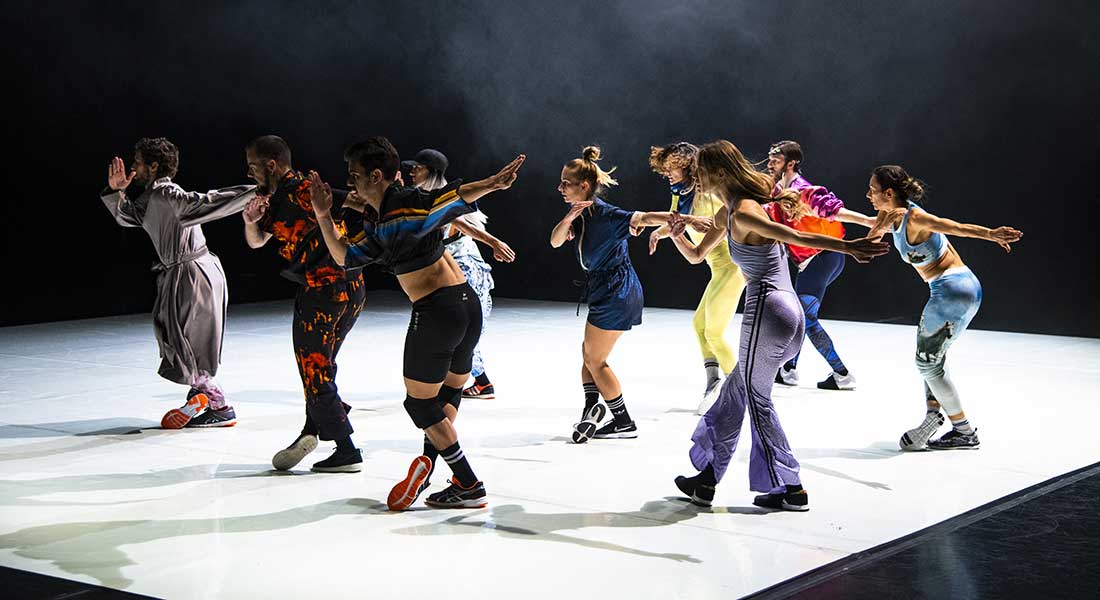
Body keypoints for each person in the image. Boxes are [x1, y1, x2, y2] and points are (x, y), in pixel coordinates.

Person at [670, 140, 888, 511]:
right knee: (735, 394)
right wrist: (675, 231)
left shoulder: (744, 214)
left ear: (719, 173)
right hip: (783, 313)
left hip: (768, 311)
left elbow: (799, 236)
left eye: (701, 170)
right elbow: (695, 255)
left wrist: (850, 247)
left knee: (756, 400)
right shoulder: (730, 211)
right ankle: (706, 481)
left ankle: (791, 487)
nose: (696, 177)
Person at [310, 136, 525, 510]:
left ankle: (469, 483)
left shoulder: (405, 203)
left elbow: (451, 199)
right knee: (445, 396)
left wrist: (492, 183)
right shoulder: (376, 222)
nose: (352, 182)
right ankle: (431, 464)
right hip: (466, 305)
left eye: (355, 175)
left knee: (419, 406)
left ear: (376, 176)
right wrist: (324, 214)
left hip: (438, 312)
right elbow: (346, 256)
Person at [550, 146, 708, 443]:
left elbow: (647, 217)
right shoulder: (581, 215)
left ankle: (623, 422)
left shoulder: (608, 216)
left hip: (617, 291)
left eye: (565, 183)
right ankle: (591, 409)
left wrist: (687, 221)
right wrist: (570, 217)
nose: (560, 188)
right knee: (588, 354)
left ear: (584, 186)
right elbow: (556, 240)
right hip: (604, 289)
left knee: (595, 360)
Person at [100, 137, 255, 429]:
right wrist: (116, 192)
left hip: (192, 273)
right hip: (184, 272)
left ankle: (218, 403)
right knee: (178, 336)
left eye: (138, 161)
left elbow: (207, 202)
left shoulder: (167, 193)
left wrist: (256, 192)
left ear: (154, 166)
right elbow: (128, 217)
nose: (133, 166)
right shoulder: (151, 196)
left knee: (186, 341)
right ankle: (203, 397)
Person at [864, 165, 1022, 450]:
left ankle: (964, 431)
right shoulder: (891, 215)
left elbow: (955, 227)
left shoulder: (917, 218)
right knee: (934, 360)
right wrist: (881, 218)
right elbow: (870, 241)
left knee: (927, 362)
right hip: (961, 289)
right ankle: (933, 417)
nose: (868, 195)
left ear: (889, 192)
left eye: (873, 191)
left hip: (951, 289)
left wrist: (991, 234)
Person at [241, 135, 367, 472]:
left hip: (326, 292)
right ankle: (312, 430)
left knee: (315, 370)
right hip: (349, 288)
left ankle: (346, 449)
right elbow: (256, 242)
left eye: (254, 167)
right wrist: (249, 222)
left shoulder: (301, 190)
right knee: (321, 366)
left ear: (272, 164)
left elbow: (352, 202)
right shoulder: (276, 198)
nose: (250, 173)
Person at [402, 149, 516, 402]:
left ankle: (481, 383)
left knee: (460, 334)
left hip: (465, 273)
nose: (412, 171)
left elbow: (462, 222)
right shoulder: (429, 198)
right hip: (464, 271)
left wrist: (494, 242)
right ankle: (469, 381)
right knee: (461, 334)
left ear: (430, 172)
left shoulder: (440, 199)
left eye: (417, 167)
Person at [765, 141, 877, 390]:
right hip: (814, 261)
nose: (770, 161)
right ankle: (789, 369)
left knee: (805, 319)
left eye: (776, 157)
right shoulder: (776, 191)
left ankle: (842, 374)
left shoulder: (801, 190)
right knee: (800, 317)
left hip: (823, 257)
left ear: (791, 163)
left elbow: (831, 210)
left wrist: (868, 221)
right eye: (770, 156)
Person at [648, 142, 745, 413]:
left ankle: (743, 391)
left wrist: (678, 226)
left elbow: (710, 225)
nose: (667, 171)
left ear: (689, 165)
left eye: (672, 166)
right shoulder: (680, 193)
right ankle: (714, 382)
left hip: (731, 267)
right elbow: (677, 222)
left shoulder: (707, 193)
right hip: (718, 268)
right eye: (664, 167)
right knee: (699, 324)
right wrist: (661, 232)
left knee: (714, 332)